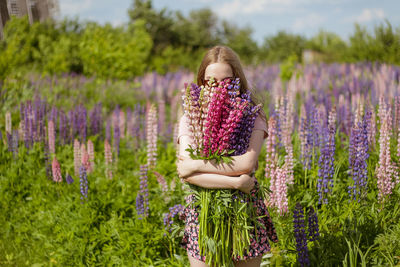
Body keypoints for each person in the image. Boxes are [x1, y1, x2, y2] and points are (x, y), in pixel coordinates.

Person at [176, 45, 278, 267]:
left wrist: (194, 164)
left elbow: (247, 163)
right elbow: (189, 176)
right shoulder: (190, 118)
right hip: (203, 210)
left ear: (237, 81)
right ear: (201, 82)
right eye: (211, 81)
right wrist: (237, 182)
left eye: (226, 81)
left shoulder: (252, 114)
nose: (219, 88)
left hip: (245, 210)